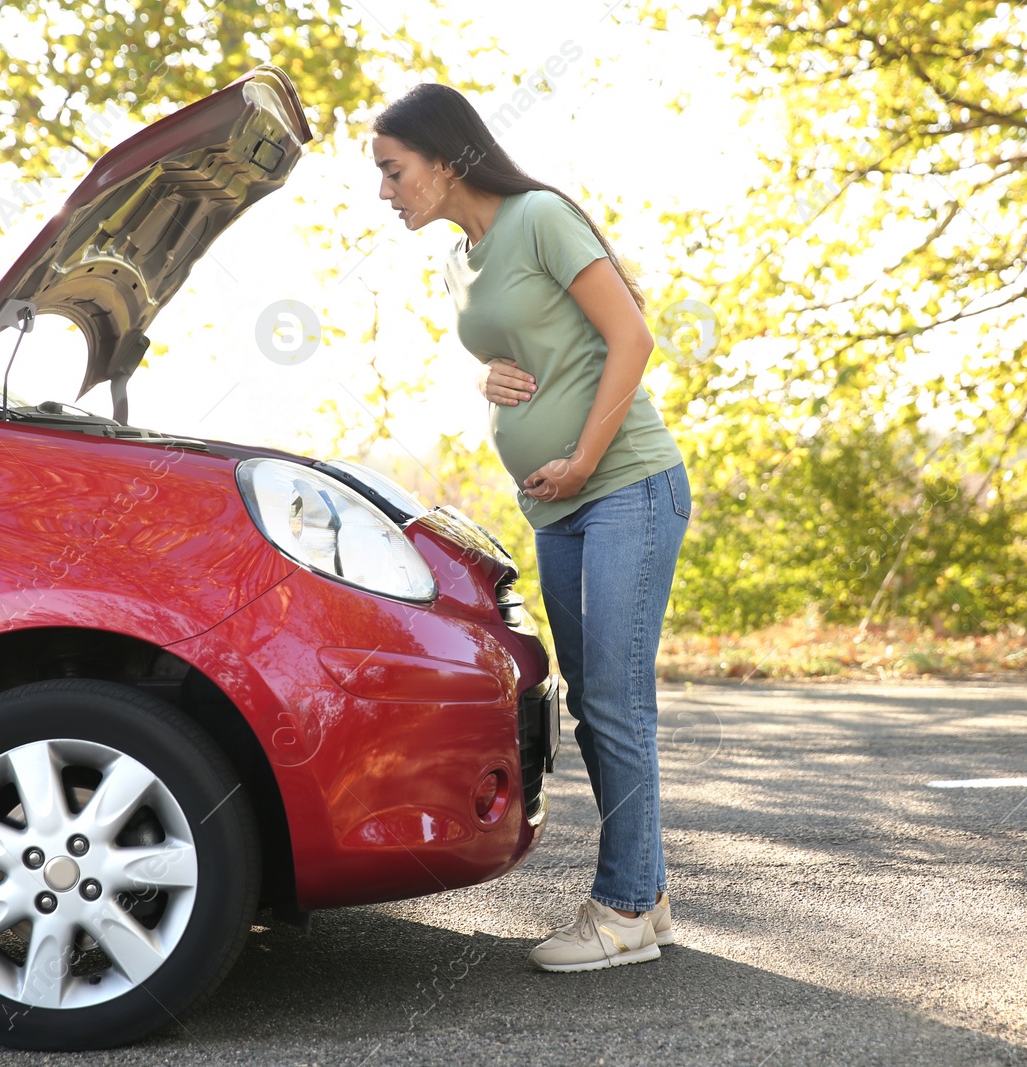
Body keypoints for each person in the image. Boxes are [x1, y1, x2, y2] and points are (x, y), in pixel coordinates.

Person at [372, 83, 693, 973]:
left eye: (394, 172)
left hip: (626, 482)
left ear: (444, 159)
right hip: (557, 504)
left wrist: (586, 456)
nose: (387, 192)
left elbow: (631, 339)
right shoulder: (460, 259)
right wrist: (493, 383)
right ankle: (649, 893)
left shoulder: (541, 216)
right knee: (593, 705)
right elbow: (532, 349)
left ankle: (624, 908)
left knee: (615, 705)